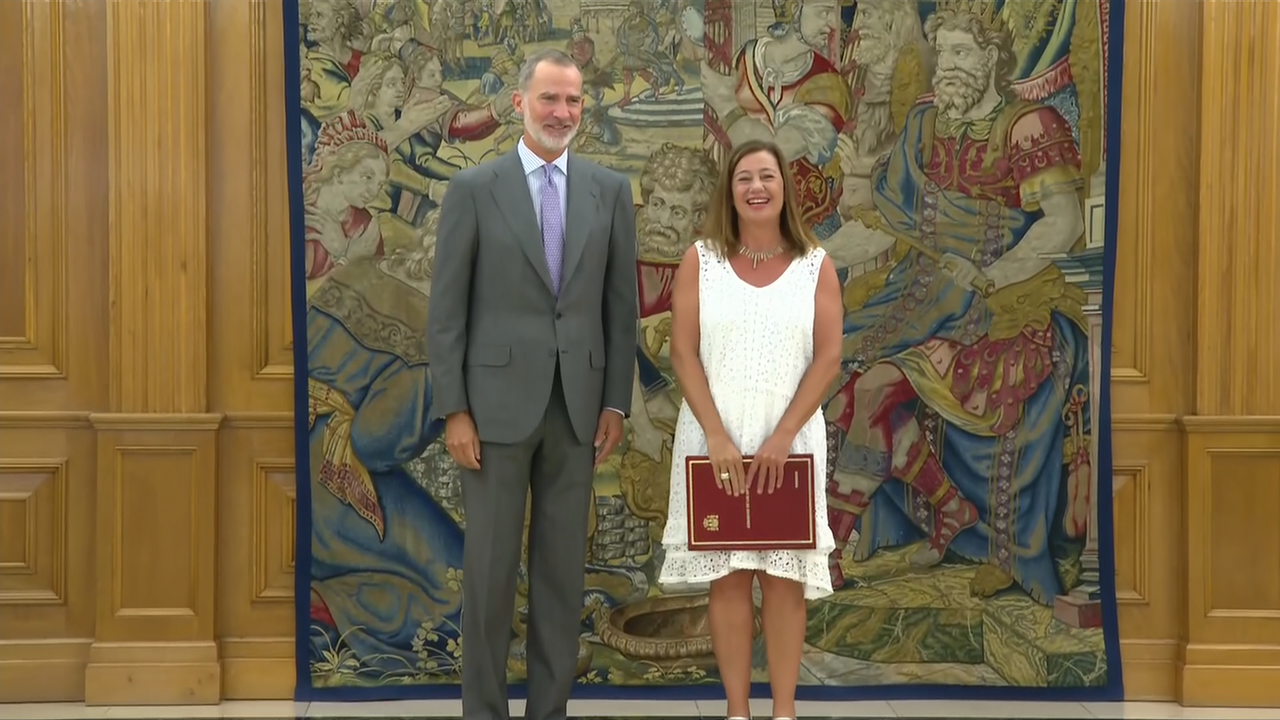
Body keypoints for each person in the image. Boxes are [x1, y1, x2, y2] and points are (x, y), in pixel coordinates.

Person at [426, 48, 639, 720]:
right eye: (550, 99)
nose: (563, 112)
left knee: (560, 578)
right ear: (520, 103)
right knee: (489, 577)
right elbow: (446, 314)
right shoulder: (474, 190)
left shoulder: (609, 191)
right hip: (491, 414)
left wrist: (615, 402)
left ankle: (549, 709)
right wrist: (454, 411)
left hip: (578, 411)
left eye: (574, 101)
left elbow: (620, 310)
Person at [658, 139, 843, 720]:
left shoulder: (816, 263)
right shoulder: (701, 260)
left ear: (784, 187)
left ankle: (783, 713)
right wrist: (715, 433)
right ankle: (738, 712)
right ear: (729, 191)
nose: (756, 187)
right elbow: (683, 353)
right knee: (731, 579)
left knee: (784, 583)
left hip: (788, 445)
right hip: (715, 441)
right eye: (744, 178)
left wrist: (784, 434)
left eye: (767, 176)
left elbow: (829, 356)